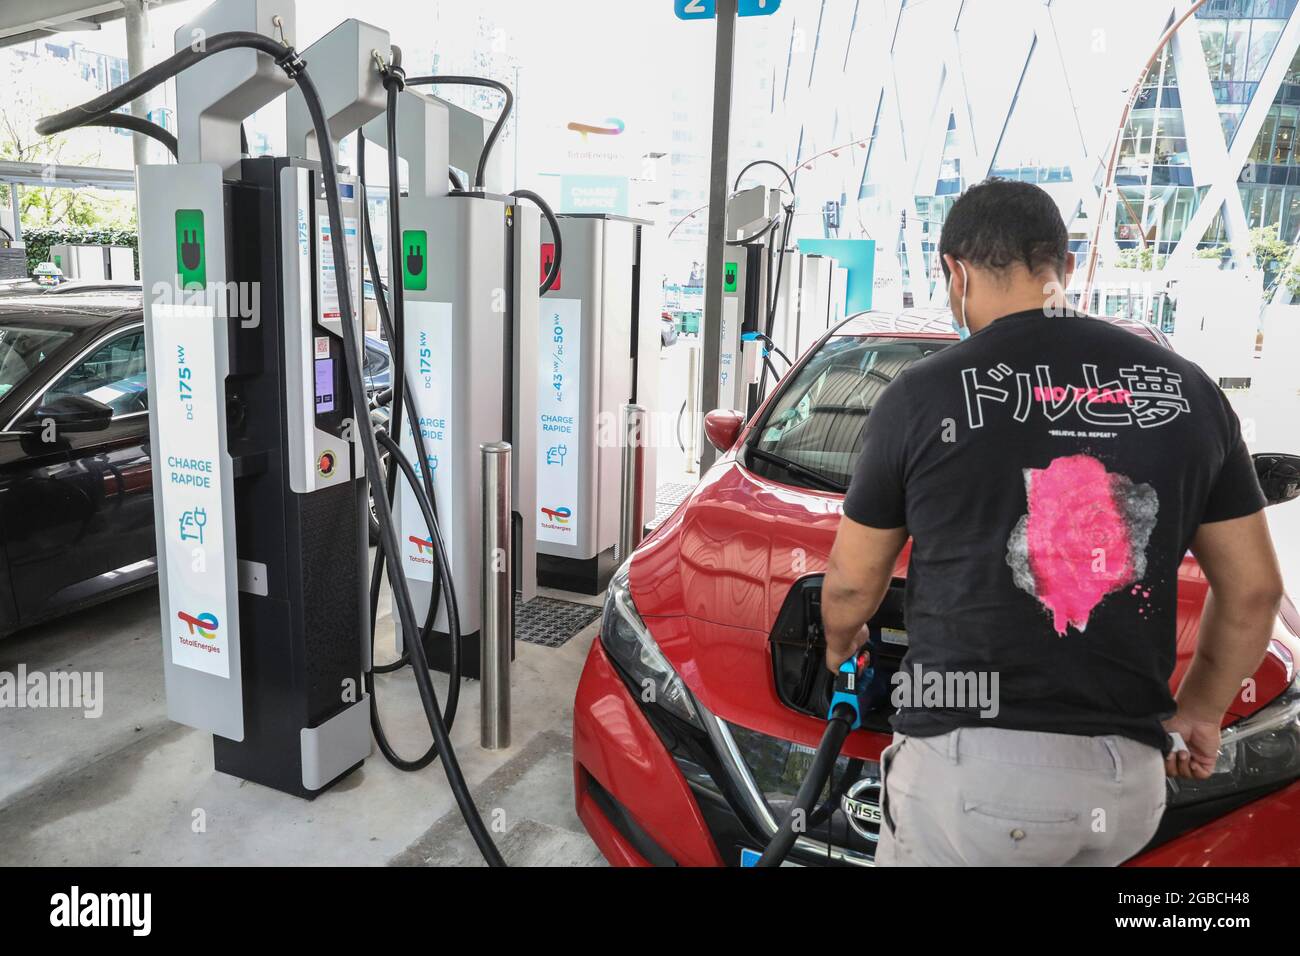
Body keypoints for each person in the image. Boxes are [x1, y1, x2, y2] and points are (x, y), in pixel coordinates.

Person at [819, 178, 1284, 866]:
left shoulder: (922, 392)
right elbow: (1255, 592)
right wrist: (1199, 713)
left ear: (957, 271)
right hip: (1124, 784)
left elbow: (853, 583)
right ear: (1062, 269)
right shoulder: (1185, 389)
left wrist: (840, 644)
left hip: (969, 777)